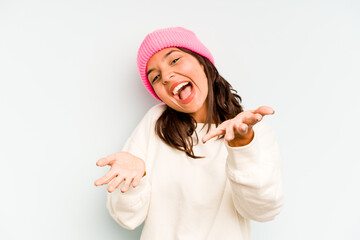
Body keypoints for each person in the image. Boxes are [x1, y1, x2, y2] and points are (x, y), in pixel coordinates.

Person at [94, 27, 284, 240]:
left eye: (174, 60)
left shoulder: (252, 132)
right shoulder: (154, 124)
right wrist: (134, 182)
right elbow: (126, 218)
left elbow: (263, 210)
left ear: (202, 62)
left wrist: (242, 147)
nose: (166, 76)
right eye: (155, 77)